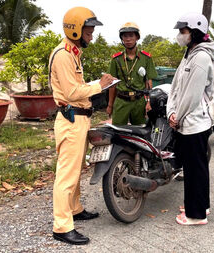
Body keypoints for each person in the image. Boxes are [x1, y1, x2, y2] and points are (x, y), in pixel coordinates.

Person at [49, 7, 115, 245]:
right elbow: (71, 92)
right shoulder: (64, 55)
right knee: (66, 174)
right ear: (76, 29)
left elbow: (75, 87)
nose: (92, 35)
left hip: (79, 118)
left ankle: (75, 209)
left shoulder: (73, 52)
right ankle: (62, 226)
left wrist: (97, 84)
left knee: (76, 169)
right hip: (71, 119)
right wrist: (100, 85)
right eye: (89, 30)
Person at [167, 12, 214, 225]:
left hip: (194, 122)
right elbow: (176, 85)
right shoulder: (190, 53)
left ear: (195, 32)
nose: (180, 35)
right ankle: (200, 205)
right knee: (195, 166)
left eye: (183, 31)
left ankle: (195, 215)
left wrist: (177, 116)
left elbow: (192, 94)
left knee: (194, 167)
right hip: (186, 120)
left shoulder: (201, 57)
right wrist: (171, 110)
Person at [107, 22, 157, 125]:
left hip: (139, 102)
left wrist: (148, 102)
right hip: (121, 101)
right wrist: (110, 105)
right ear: (122, 39)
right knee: (118, 131)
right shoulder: (116, 59)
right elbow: (112, 85)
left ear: (137, 37)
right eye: (125, 36)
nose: (128, 39)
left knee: (140, 131)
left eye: (131, 35)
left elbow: (148, 82)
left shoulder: (146, 58)